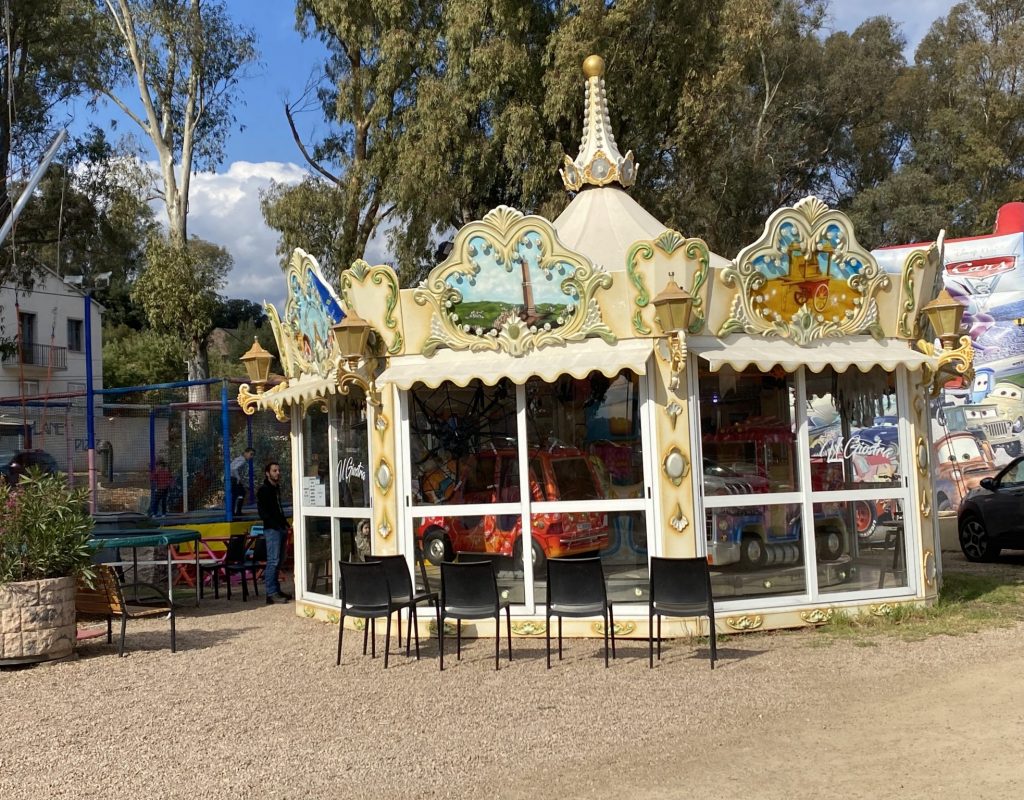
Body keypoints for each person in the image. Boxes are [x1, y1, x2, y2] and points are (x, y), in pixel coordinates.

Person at [257, 461, 291, 604]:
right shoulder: (264, 490)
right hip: (272, 530)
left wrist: (285, 524)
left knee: (279, 561)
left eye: (278, 470)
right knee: (273, 560)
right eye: (274, 471)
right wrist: (276, 525)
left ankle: (276, 590)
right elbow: (264, 513)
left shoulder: (275, 489)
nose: (277, 473)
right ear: (267, 473)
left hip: (280, 528)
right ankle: (271, 593)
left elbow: (278, 509)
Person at [230, 447, 255, 516]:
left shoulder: (239, 458)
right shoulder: (243, 460)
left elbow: (232, 467)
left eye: (253, 455)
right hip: (233, 478)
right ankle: (236, 512)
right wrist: (238, 478)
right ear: (245, 453)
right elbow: (234, 469)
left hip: (232, 478)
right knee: (239, 494)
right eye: (251, 454)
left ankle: (235, 511)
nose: (251, 456)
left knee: (240, 493)